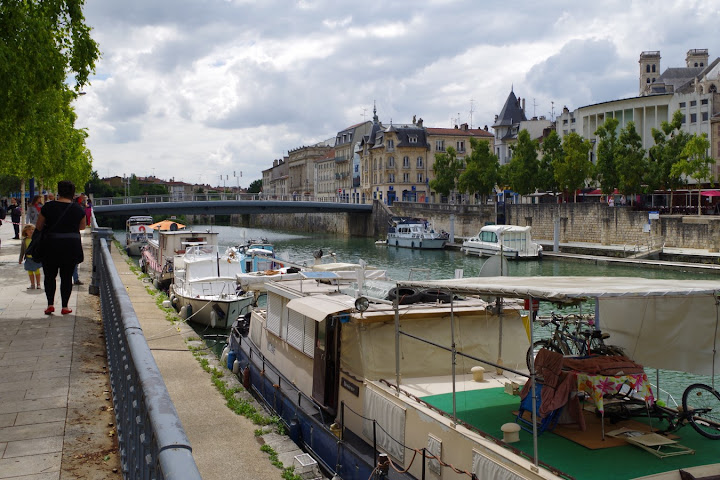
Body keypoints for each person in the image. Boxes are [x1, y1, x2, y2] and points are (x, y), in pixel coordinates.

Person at [36, 180, 86, 315]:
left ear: (59, 191)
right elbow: (82, 226)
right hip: (70, 247)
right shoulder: (78, 209)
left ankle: (50, 304)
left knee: (49, 276)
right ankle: (65, 307)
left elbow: (39, 226)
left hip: (50, 246)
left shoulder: (48, 207)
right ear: (73, 193)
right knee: (66, 277)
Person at [19, 224, 42, 289]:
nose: (31, 231)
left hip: (35, 258)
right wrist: (20, 259)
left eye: (32, 229)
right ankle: (32, 284)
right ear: (25, 231)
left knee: (37, 271)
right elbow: (22, 251)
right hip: (28, 259)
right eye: (29, 230)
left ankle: (38, 284)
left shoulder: (36, 239)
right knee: (30, 271)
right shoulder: (24, 240)